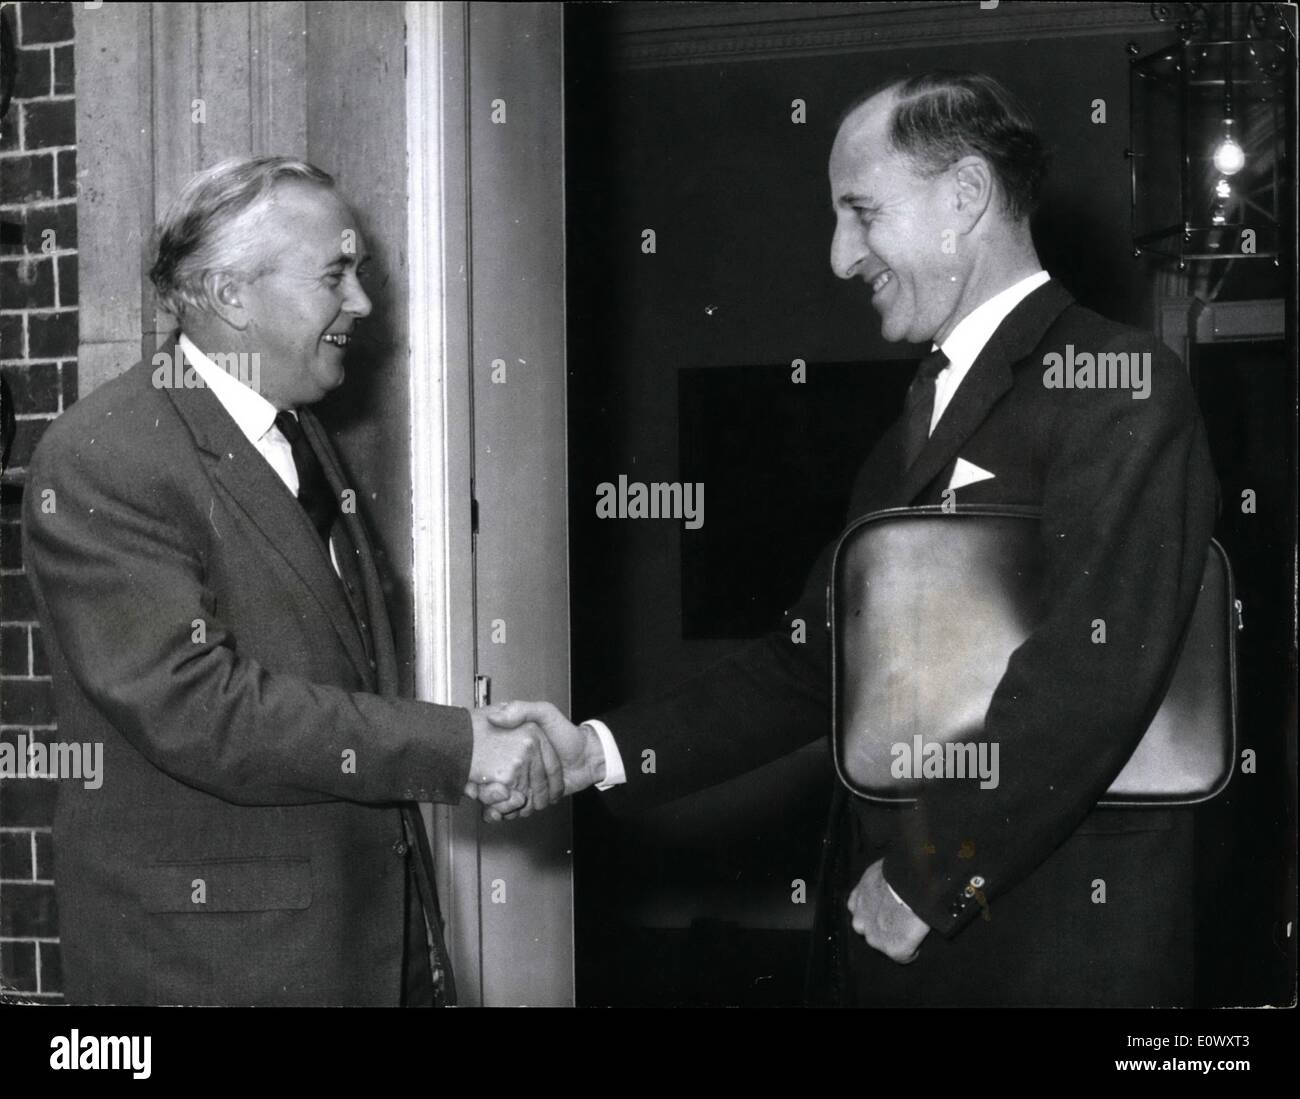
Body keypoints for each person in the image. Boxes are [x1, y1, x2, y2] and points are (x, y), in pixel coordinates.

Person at [492, 71, 1219, 1006]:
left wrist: (927, 873)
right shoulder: (909, 429)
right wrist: (598, 749)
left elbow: (1094, 665)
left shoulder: (1116, 380)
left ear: (963, 198)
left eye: (862, 213)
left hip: (1049, 949)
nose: (840, 257)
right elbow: (812, 662)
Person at [22, 156, 564, 1006]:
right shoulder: (106, 454)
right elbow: (202, 708)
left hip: (357, 946)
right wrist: (458, 747)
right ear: (231, 296)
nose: (363, 305)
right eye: (334, 276)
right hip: (218, 967)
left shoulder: (299, 434)